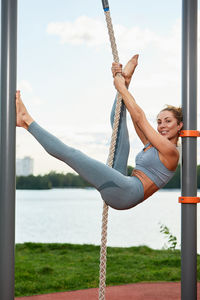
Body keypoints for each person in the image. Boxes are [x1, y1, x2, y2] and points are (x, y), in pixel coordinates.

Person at [16, 55, 183, 210]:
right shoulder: (155, 145)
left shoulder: (171, 152)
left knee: (73, 154)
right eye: (159, 121)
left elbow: (140, 117)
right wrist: (125, 83)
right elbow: (132, 116)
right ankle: (125, 80)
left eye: (168, 121)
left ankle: (26, 121)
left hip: (125, 193)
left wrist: (120, 87)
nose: (162, 126)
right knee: (119, 128)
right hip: (124, 183)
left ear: (179, 125)